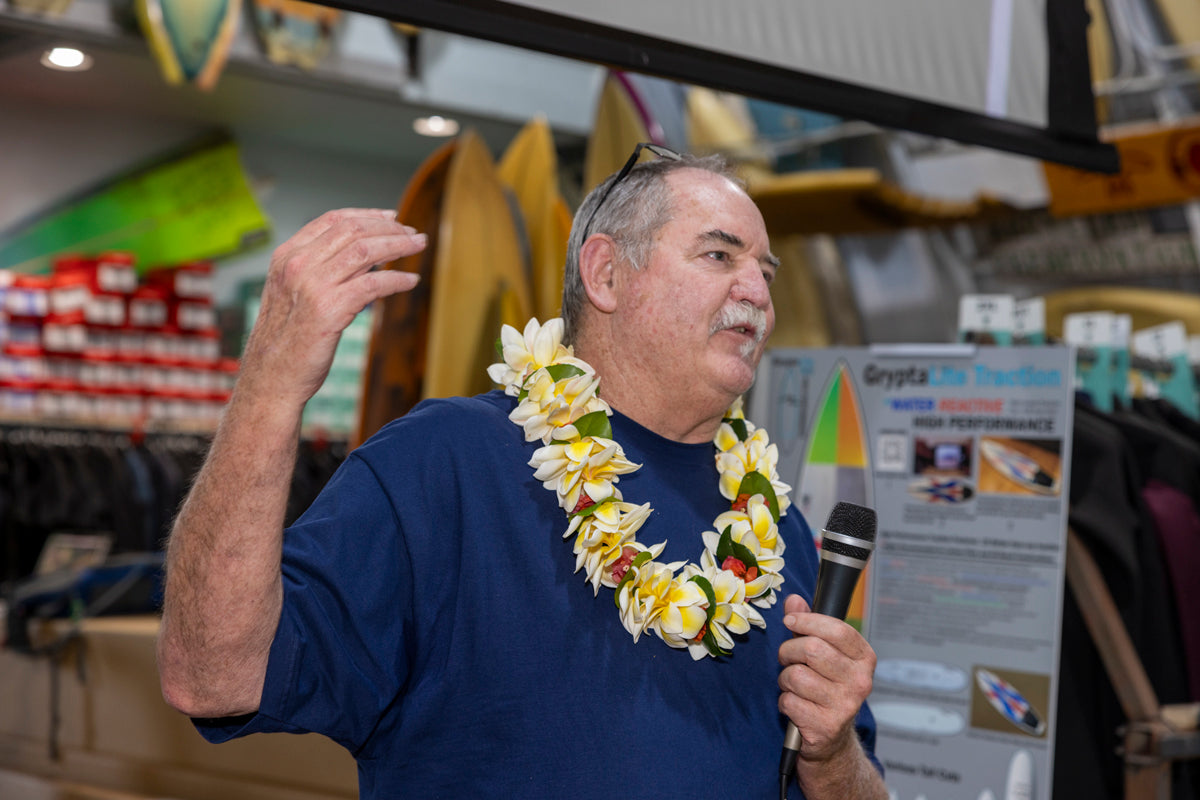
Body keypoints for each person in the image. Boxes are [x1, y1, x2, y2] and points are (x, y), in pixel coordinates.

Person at [157, 145, 888, 800]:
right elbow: (211, 676)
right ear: (606, 273)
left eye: (765, 271)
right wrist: (271, 386)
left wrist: (831, 755)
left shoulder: (774, 530)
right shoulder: (444, 465)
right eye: (720, 256)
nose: (757, 293)